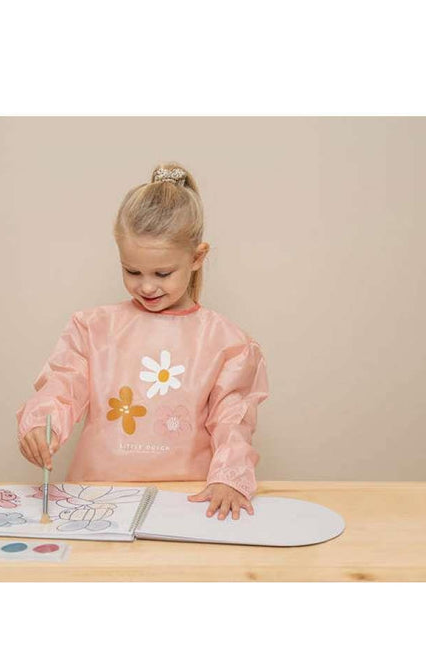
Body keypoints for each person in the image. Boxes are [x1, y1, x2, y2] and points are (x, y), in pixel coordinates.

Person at [16, 162, 269, 520]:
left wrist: (230, 477)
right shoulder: (93, 328)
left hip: (187, 502)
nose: (146, 286)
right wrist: (42, 425)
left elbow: (233, 420)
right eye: (132, 271)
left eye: (162, 273)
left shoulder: (226, 342)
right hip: (97, 499)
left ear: (197, 257)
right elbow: (62, 387)